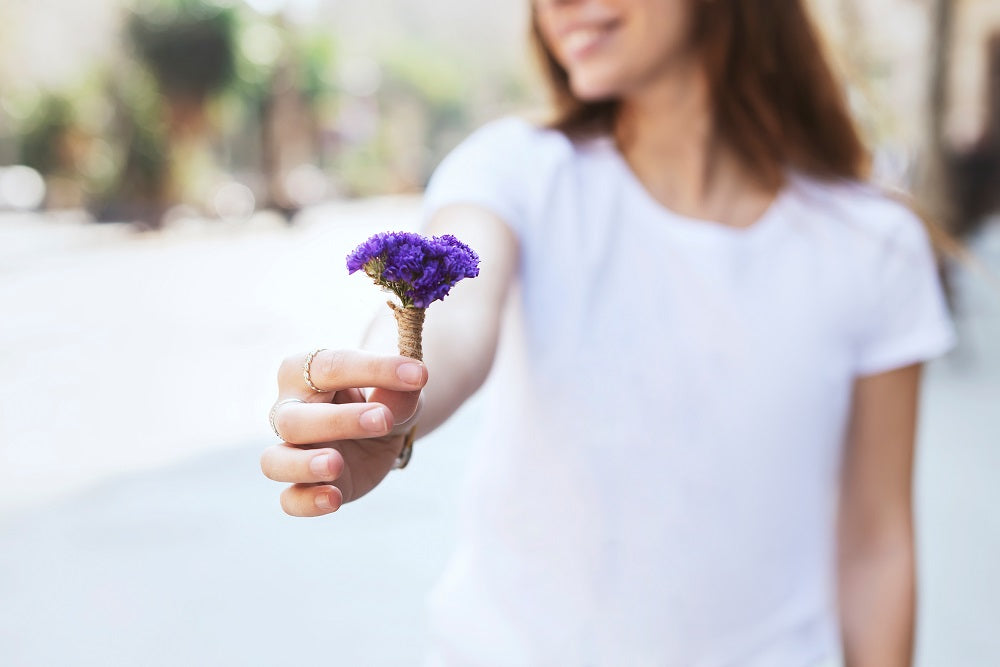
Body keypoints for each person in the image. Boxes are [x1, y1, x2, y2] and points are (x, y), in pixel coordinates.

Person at [260, 1, 957, 664]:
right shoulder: (518, 169)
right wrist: (375, 399)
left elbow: (877, 543)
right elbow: (462, 306)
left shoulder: (872, 246)